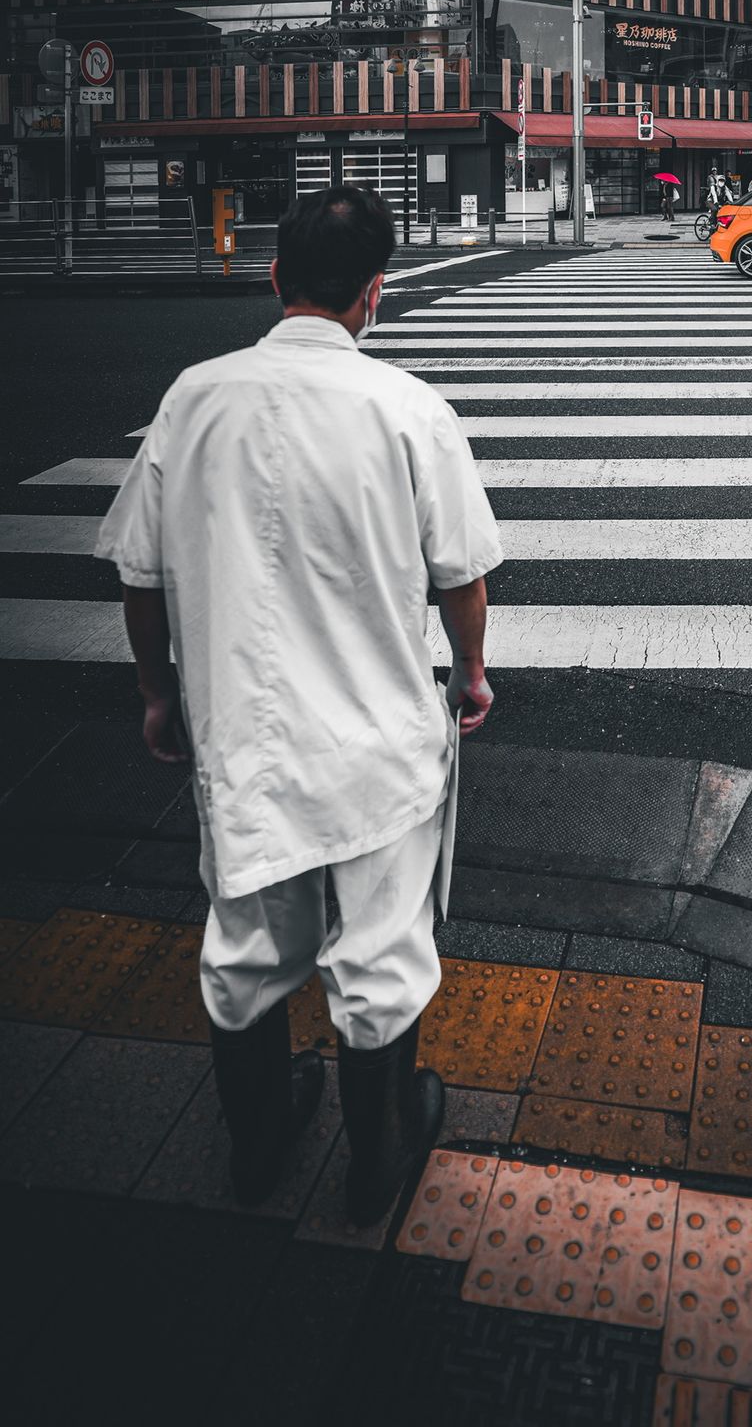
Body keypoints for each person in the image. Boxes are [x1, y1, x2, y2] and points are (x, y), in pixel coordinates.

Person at [95, 186, 502, 1225]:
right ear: (376, 294)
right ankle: (377, 1165)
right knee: (379, 958)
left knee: (247, 949)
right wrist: (470, 675)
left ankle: (260, 1144)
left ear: (273, 279)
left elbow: (140, 573)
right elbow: (461, 577)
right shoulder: (410, 408)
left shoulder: (194, 396)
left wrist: (156, 694)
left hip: (248, 737)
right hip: (379, 746)